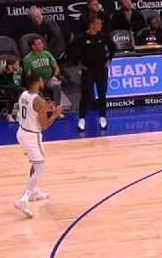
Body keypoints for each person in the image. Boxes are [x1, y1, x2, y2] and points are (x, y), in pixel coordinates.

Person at [13, 74, 62, 218]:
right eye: (40, 80)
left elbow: (31, 111)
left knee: (35, 164)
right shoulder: (40, 101)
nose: (42, 82)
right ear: (36, 83)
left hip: (21, 132)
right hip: (32, 136)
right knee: (40, 169)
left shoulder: (23, 94)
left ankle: (33, 192)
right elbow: (44, 125)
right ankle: (23, 199)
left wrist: (46, 110)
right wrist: (55, 114)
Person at [68, 17, 115, 132]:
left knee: (102, 94)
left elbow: (113, 48)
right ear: (92, 25)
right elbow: (70, 51)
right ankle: (81, 119)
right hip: (88, 71)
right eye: (99, 23)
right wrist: (78, 64)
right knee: (86, 95)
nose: (101, 26)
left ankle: (102, 117)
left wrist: (109, 59)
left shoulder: (103, 36)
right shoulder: (82, 38)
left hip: (101, 70)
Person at [22, 38, 64, 118]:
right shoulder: (27, 59)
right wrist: (36, 83)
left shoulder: (47, 54)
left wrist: (55, 76)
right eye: (39, 44)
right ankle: (43, 112)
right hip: (37, 82)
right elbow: (28, 76)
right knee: (38, 95)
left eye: (42, 43)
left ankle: (57, 109)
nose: (43, 45)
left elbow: (56, 67)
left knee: (57, 85)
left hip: (49, 79)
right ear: (33, 47)